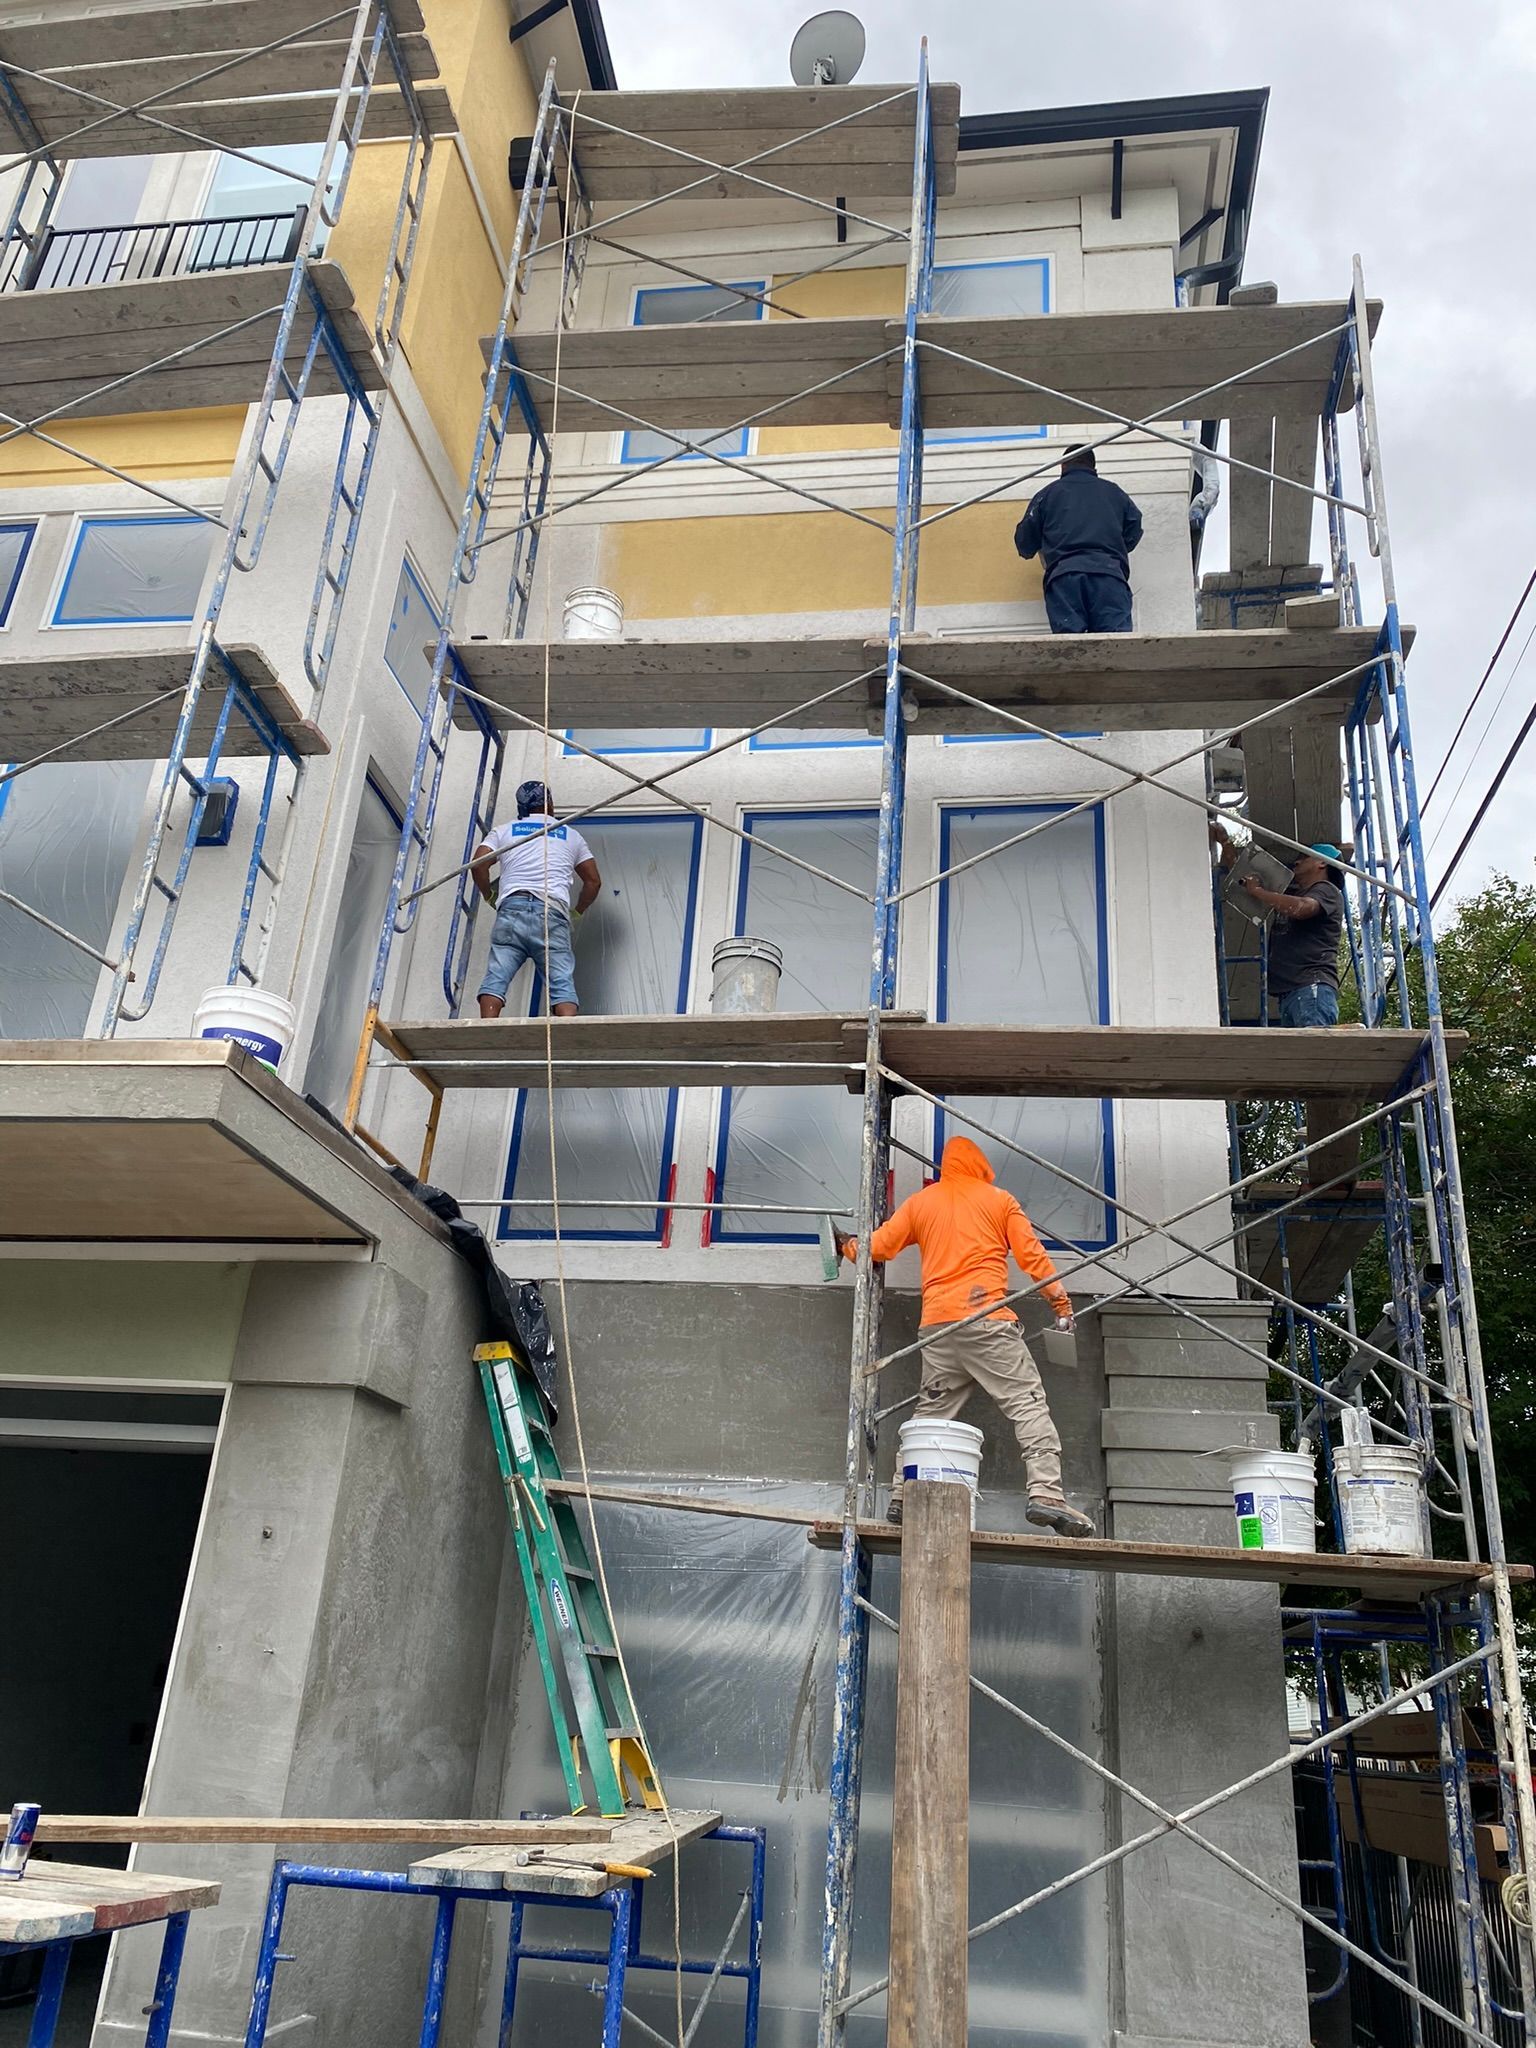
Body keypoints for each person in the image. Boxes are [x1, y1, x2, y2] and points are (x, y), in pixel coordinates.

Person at [834, 1136, 1094, 1537]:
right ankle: (1046, 1493)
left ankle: (904, 1494)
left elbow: (880, 1247)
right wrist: (1060, 1306)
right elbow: (1032, 1257)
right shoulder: (998, 1201)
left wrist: (848, 1246)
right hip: (987, 1321)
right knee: (1027, 1405)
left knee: (931, 1414)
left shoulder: (924, 1202)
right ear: (981, 1166)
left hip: (938, 1329)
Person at [470, 780, 601, 1020]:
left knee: (497, 974)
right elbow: (593, 882)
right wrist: (578, 911)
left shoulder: (505, 830)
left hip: (512, 909)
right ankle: (565, 1035)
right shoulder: (571, 835)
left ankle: (488, 1028)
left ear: (522, 807)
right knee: (561, 980)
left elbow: (478, 864)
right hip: (552, 912)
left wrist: (488, 894)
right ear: (549, 804)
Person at [1013, 443, 1143, 634]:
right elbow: (1134, 530)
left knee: (1071, 647)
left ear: (1062, 466)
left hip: (1066, 577)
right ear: (1093, 467)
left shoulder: (1047, 495)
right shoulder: (1115, 493)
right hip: (1108, 575)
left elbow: (1024, 543)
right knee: (1116, 647)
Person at [1237, 842, 1347, 1027]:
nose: (1297, 861)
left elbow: (1302, 908)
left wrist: (1258, 891)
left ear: (1321, 862)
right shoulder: (1296, 894)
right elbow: (1240, 877)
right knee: (1303, 1054)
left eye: (1304, 857)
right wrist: (1225, 843)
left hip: (1311, 988)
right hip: (1294, 992)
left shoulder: (1326, 889)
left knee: (1313, 1052)